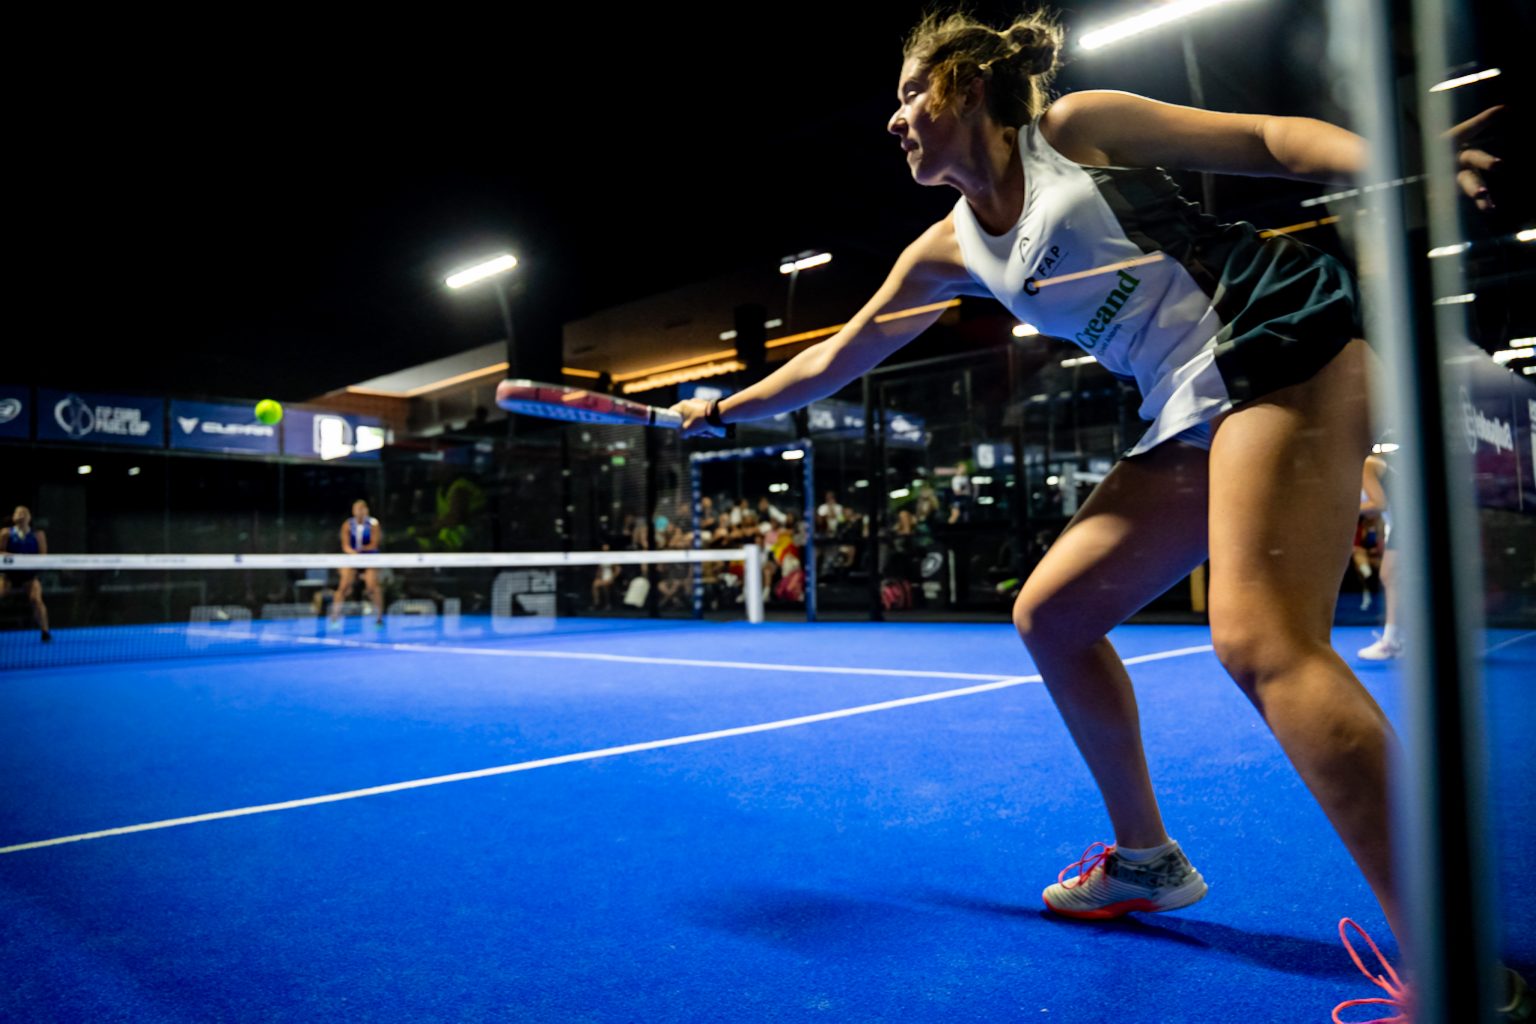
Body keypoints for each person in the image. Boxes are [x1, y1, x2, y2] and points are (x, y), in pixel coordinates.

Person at [670, 8, 1508, 1017]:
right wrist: (725, 408)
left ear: (964, 84)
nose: (893, 120)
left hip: (1274, 328)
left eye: (908, 94)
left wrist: (1399, 163)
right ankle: (1145, 859)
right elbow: (836, 356)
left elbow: (1267, 139)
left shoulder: (1073, 130)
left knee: (1263, 642)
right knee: (1053, 615)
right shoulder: (944, 252)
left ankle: (1456, 960)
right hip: (1187, 400)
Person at [1356, 453, 1401, 660]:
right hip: (1399, 520)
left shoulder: (1366, 463)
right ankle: (1396, 639)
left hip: (1409, 520)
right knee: (1395, 578)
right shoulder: (1363, 467)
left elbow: (1379, 503)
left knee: (1389, 575)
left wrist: (1344, 508)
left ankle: (1391, 643)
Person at [0, 506, 51, 642]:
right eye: (18, 513)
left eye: (24, 513)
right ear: (13, 517)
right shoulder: (5, 533)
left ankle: (45, 632)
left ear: (29, 517)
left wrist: (27, 561)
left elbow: (43, 556)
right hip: (8, 575)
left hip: (29, 576)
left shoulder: (38, 535)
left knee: (36, 599)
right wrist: (16, 558)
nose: (21, 515)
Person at [332, 500, 384, 625]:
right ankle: (334, 617)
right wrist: (354, 554)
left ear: (366, 510)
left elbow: (374, 544)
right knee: (343, 586)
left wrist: (362, 552)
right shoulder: (347, 524)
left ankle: (379, 618)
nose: (359, 512)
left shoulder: (373, 524)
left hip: (370, 557)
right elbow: (345, 545)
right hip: (352, 557)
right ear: (353, 511)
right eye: (357, 509)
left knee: (372, 587)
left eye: (362, 509)